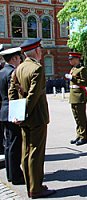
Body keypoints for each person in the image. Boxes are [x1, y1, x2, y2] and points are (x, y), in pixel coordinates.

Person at [8, 38, 55, 198]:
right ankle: (36, 189)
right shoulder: (37, 68)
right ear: (36, 51)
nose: (41, 52)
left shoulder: (18, 69)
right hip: (36, 117)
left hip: (23, 118)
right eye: (40, 49)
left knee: (26, 152)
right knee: (36, 153)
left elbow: (12, 93)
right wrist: (24, 113)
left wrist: (17, 114)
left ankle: (31, 186)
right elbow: (34, 96)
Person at [0, 47, 24, 185]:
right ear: (14, 59)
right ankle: (15, 175)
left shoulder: (1, 72)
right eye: (19, 58)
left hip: (3, 111)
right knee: (15, 144)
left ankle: (10, 174)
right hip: (12, 111)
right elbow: (14, 95)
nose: (20, 60)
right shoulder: (12, 73)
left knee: (8, 144)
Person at [65, 52, 87, 145]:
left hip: (79, 96)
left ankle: (84, 137)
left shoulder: (82, 69)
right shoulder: (73, 69)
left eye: (71, 59)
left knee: (81, 118)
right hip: (73, 96)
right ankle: (78, 135)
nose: (70, 60)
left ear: (77, 59)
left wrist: (72, 78)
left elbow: (84, 82)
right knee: (77, 118)